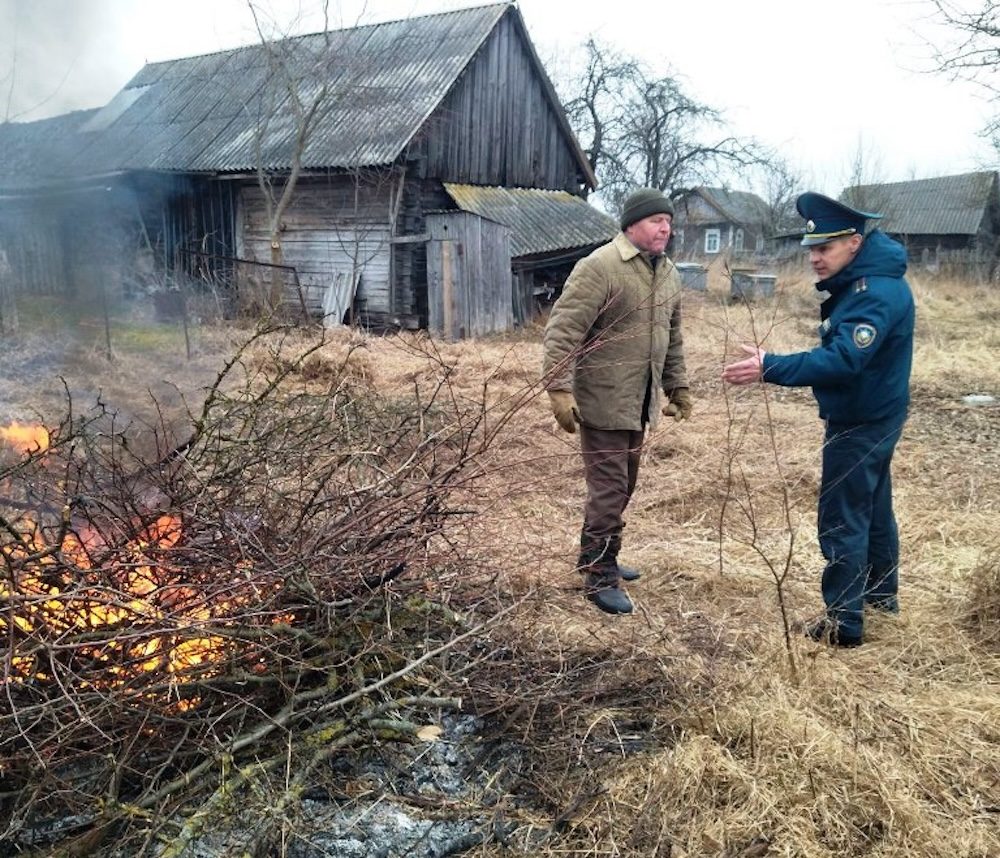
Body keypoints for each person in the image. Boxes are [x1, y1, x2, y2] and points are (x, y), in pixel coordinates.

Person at [722, 191, 915, 647]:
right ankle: (879, 597)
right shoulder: (868, 280)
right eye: (811, 249)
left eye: (824, 248)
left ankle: (843, 623)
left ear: (852, 242)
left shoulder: (875, 293)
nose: (815, 258)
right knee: (873, 507)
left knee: (842, 518)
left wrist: (770, 365)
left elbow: (843, 359)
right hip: (875, 412)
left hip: (862, 420)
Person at [542, 188, 691, 615]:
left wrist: (677, 387)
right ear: (630, 225)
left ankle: (596, 553)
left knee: (623, 486)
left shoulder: (668, 274)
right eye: (655, 220)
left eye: (669, 221)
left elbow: (672, 338)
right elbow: (563, 330)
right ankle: (599, 573)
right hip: (603, 401)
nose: (665, 228)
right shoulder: (600, 267)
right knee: (608, 491)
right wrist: (558, 389)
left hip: (639, 403)